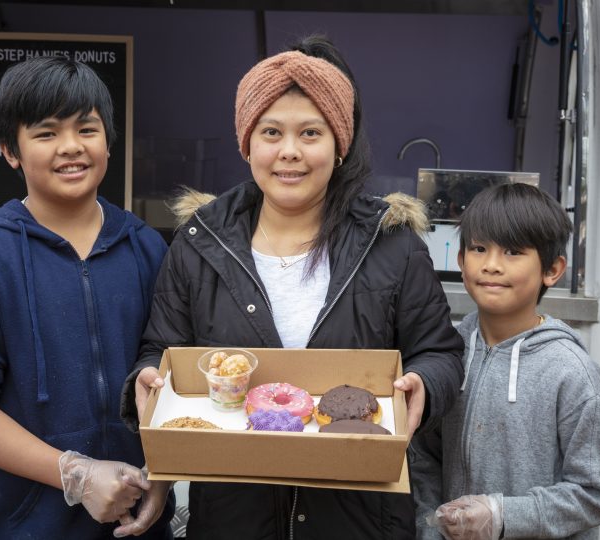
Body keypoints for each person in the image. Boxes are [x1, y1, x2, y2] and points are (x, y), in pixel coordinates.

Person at [117, 35, 464, 539]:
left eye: (310, 133)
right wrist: (148, 378)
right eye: (271, 131)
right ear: (247, 141)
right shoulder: (199, 243)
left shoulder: (391, 243)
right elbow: (160, 349)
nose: (289, 152)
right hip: (234, 517)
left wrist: (423, 386)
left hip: (359, 516)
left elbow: (440, 353)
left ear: (338, 144)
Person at [0, 56, 174, 539]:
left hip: (139, 522)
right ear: (9, 151)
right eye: (45, 133)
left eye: (87, 129)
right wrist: (75, 475)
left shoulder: (145, 247)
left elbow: (166, 364)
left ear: (108, 141)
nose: (71, 148)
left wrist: (164, 474)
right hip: (23, 524)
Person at [410, 183, 600, 539]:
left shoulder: (570, 371)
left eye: (512, 252)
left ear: (552, 270)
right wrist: (429, 527)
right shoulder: (447, 352)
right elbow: (423, 456)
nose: (491, 265)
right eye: (478, 248)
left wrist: (503, 515)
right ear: (460, 261)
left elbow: (595, 493)